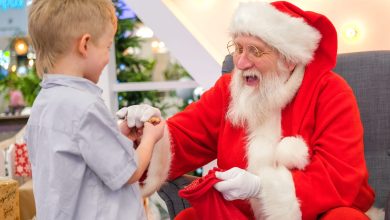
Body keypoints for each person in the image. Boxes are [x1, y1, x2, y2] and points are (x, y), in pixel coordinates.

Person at [119, 1, 379, 219]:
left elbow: (339, 177)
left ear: (288, 59)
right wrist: (147, 134)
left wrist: (261, 188)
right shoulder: (229, 88)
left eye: (254, 51)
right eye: (239, 48)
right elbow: (184, 137)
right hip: (241, 214)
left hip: (314, 213)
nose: (240, 63)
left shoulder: (330, 92)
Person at [24, 0, 165, 219]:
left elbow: (79, 156)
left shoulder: (44, 103)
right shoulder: (85, 107)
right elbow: (130, 171)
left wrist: (117, 135)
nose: (108, 58)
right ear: (85, 45)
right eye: (107, 47)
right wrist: (150, 138)